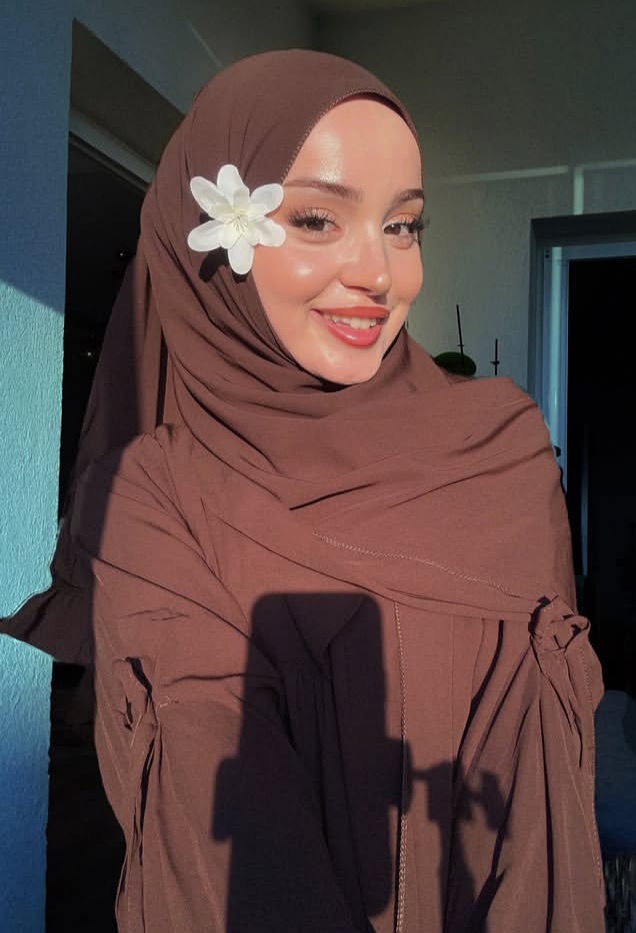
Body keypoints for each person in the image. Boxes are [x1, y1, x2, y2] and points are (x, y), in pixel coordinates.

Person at [3, 50, 606, 932]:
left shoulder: (500, 453)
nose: (380, 272)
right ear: (208, 233)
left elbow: (544, 811)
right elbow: (224, 847)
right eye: (319, 218)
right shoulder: (159, 498)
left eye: (403, 226)